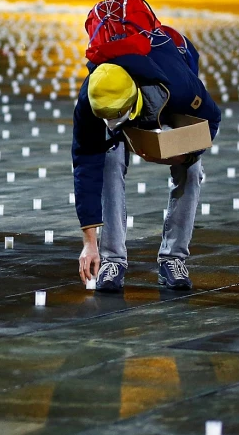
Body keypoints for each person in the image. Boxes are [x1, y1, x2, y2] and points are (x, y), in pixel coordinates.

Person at [72, 29, 221, 292]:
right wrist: (89, 242)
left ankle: (173, 258)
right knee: (108, 161)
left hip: (165, 98)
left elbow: (211, 122)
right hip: (129, 98)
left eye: (115, 116)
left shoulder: (181, 88)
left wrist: (185, 153)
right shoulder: (90, 98)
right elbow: (85, 166)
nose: (109, 124)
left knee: (192, 170)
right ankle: (112, 260)